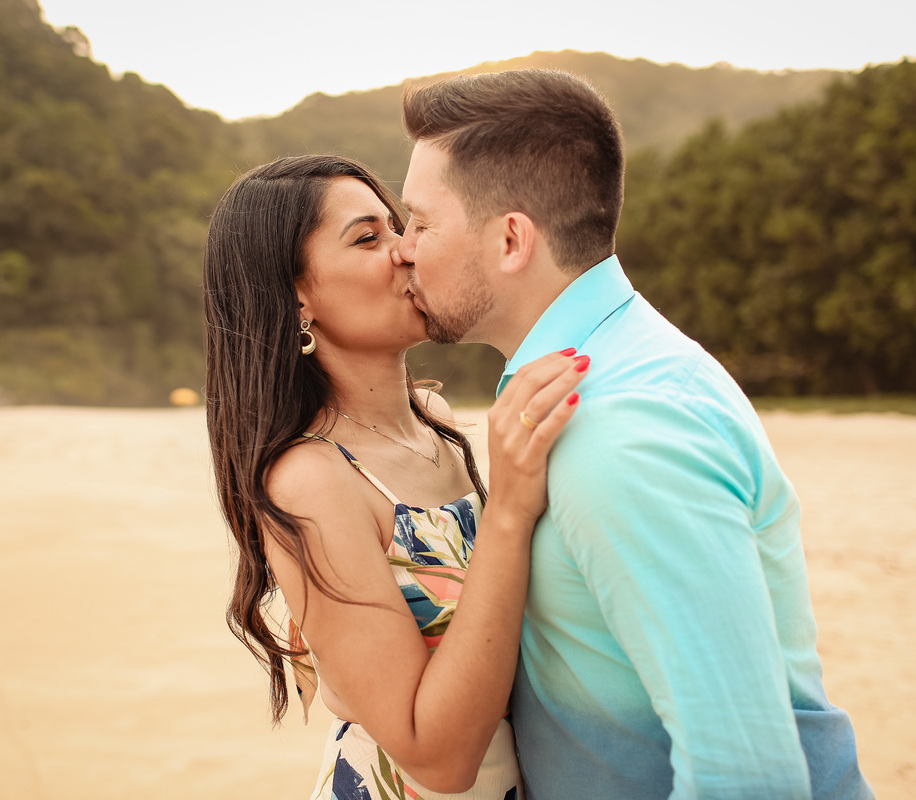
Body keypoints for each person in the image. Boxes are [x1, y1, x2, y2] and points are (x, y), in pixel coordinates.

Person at [397, 70, 874, 799]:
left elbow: (746, 778)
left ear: (512, 239)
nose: (402, 249)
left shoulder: (620, 429)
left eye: (421, 223)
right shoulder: (605, 376)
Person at [202, 154, 587, 799]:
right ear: (296, 294)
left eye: (400, 226)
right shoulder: (312, 480)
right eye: (367, 238)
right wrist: (513, 511)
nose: (406, 250)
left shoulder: (432, 419)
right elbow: (435, 758)